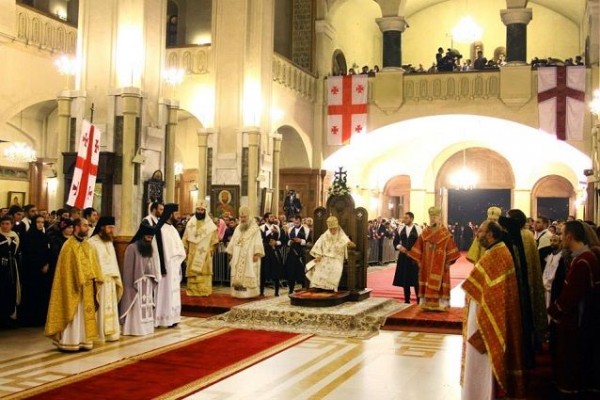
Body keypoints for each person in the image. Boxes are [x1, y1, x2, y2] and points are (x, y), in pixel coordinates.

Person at [461, 220, 525, 399]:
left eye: (480, 231)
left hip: (485, 319)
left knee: (482, 363)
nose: (477, 234)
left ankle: (482, 394)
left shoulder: (496, 255)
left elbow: (490, 294)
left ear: (490, 235)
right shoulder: (498, 251)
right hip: (485, 315)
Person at [547, 220, 600, 396]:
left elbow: (571, 295)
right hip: (580, 318)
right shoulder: (584, 257)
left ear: (569, 236)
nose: (561, 238)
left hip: (577, 320)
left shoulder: (583, 261)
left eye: (562, 234)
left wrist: (554, 309)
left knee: (572, 359)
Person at [45, 218, 104, 351]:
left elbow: (94, 265)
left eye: (88, 225)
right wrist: (79, 279)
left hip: (88, 288)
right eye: (84, 225)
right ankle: (70, 341)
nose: (87, 228)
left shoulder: (88, 245)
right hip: (73, 287)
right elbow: (65, 272)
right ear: (76, 227)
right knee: (74, 314)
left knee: (84, 315)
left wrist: (96, 278)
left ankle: (84, 340)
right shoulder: (68, 246)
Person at [408, 206, 460, 311]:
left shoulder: (445, 234)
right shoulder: (425, 233)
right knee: (426, 280)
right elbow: (418, 247)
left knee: (440, 281)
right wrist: (418, 260)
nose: (433, 219)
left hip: (441, 263)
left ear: (439, 218)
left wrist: (448, 262)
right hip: (426, 263)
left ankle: (441, 304)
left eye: (435, 217)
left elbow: (451, 249)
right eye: (431, 217)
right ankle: (426, 304)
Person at [120, 224, 160, 336]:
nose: (149, 240)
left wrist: (153, 278)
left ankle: (146, 328)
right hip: (135, 284)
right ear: (142, 235)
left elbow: (151, 265)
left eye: (151, 238)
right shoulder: (131, 248)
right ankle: (133, 329)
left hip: (147, 283)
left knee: (146, 305)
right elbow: (128, 270)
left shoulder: (149, 248)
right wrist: (131, 285)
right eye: (148, 237)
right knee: (136, 306)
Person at [88, 216, 123, 342]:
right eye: (109, 227)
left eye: (113, 228)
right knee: (100, 307)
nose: (111, 230)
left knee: (110, 307)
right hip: (100, 281)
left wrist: (116, 277)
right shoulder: (92, 242)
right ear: (102, 227)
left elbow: (113, 261)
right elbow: (91, 262)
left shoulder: (109, 241)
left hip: (111, 280)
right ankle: (99, 334)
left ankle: (112, 333)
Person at [153, 203, 186, 328]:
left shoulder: (172, 228)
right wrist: (163, 266)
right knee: (164, 293)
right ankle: (163, 318)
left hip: (174, 265)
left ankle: (173, 317)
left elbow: (178, 247)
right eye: (176, 213)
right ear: (170, 214)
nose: (178, 216)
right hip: (166, 266)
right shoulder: (160, 229)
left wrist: (178, 258)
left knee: (173, 292)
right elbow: (160, 250)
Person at [306, 216, 355, 292]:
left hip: (337, 258)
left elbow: (350, 244)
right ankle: (318, 287)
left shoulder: (341, 235)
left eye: (334, 229)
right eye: (330, 229)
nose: (332, 231)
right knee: (319, 266)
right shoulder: (325, 235)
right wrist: (318, 256)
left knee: (335, 268)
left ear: (337, 227)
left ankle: (330, 288)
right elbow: (319, 245)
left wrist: (349, 244)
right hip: (325, 257)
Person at [18, 214, 51, 327]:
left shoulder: (45, 236)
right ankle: (30, 319)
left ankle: (41, 318)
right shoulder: (29, 237)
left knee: (42, 294)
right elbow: (29, 254)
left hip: (44, 271)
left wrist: (47, 264)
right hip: (31, 271)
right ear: (34, 223)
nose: (40, 224)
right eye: (38, 222)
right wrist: (40, 265)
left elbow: (48, 252)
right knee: (31, 294)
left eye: (42, 222)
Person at [226, 206, 264, 298]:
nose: (242, 219)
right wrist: (231, 253)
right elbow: (233, 241)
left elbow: (258, 241)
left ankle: (249, 294)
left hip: (249, 257)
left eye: (244, 217)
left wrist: (257, 254)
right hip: (237, 256)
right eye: (241, 217)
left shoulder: (255, 229)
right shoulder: (238, 228)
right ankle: (237, 292)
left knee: (249, 272)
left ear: (249, 216)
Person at [182, 200, 218, 296]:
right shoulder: (190, 223)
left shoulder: (210, 225)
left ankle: (204, 291)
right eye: (198, 209)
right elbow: (185, 238)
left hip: (204, 253)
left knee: (203, 272)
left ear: (205, 211)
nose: (200, 211)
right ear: (195, 210)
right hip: (192, 253)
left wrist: (211, 249)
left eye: (202, 210)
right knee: (193, 273)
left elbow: (214, 240)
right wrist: (185, 249)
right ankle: (192, 291)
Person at [393, 211, 422, 304]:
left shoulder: (418, 229)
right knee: (405, 278)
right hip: (403, 257)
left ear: (412, 219)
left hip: (414, 258)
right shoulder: (400, 228)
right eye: (404, 218)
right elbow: (395, 242)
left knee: (416, 279)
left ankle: (419, 300)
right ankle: (406, 300)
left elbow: (422, 243)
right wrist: (400, 247)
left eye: (406, 218)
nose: (404, 219)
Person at [0, 216, 20, 329]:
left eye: (7, 224)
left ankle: (9, 318)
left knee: (10, 291)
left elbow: (15, 253)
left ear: (11, 225)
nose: (5, 226)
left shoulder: (15, 236)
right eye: (3, 223)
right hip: (1, 268)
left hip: (11, 268)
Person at [259, 212, 285, 296]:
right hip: (265, 252)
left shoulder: (278, 228)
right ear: (266, 218)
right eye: (271, 217)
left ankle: (277, 291)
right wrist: (270, 231)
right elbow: (260, 240)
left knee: (276, 271)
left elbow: (283, 240)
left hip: (275, 252)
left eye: (273, 216)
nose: (273, 218)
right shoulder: (261, 228)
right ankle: (261, 291)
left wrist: (276, 243)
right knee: (263, 271)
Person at [285, 215, 310, 294]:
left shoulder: (306, 230)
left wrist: (301, 241)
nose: (296, 222)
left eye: (297, 221)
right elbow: (287, 241)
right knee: (291, 271)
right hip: (292, 252)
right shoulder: (290, 230)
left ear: (300, 221)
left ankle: (304, 287)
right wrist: (290, 242)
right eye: (294, 221)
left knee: (302, 270)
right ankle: (291, 289)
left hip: (302, 253)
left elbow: (309, 241)